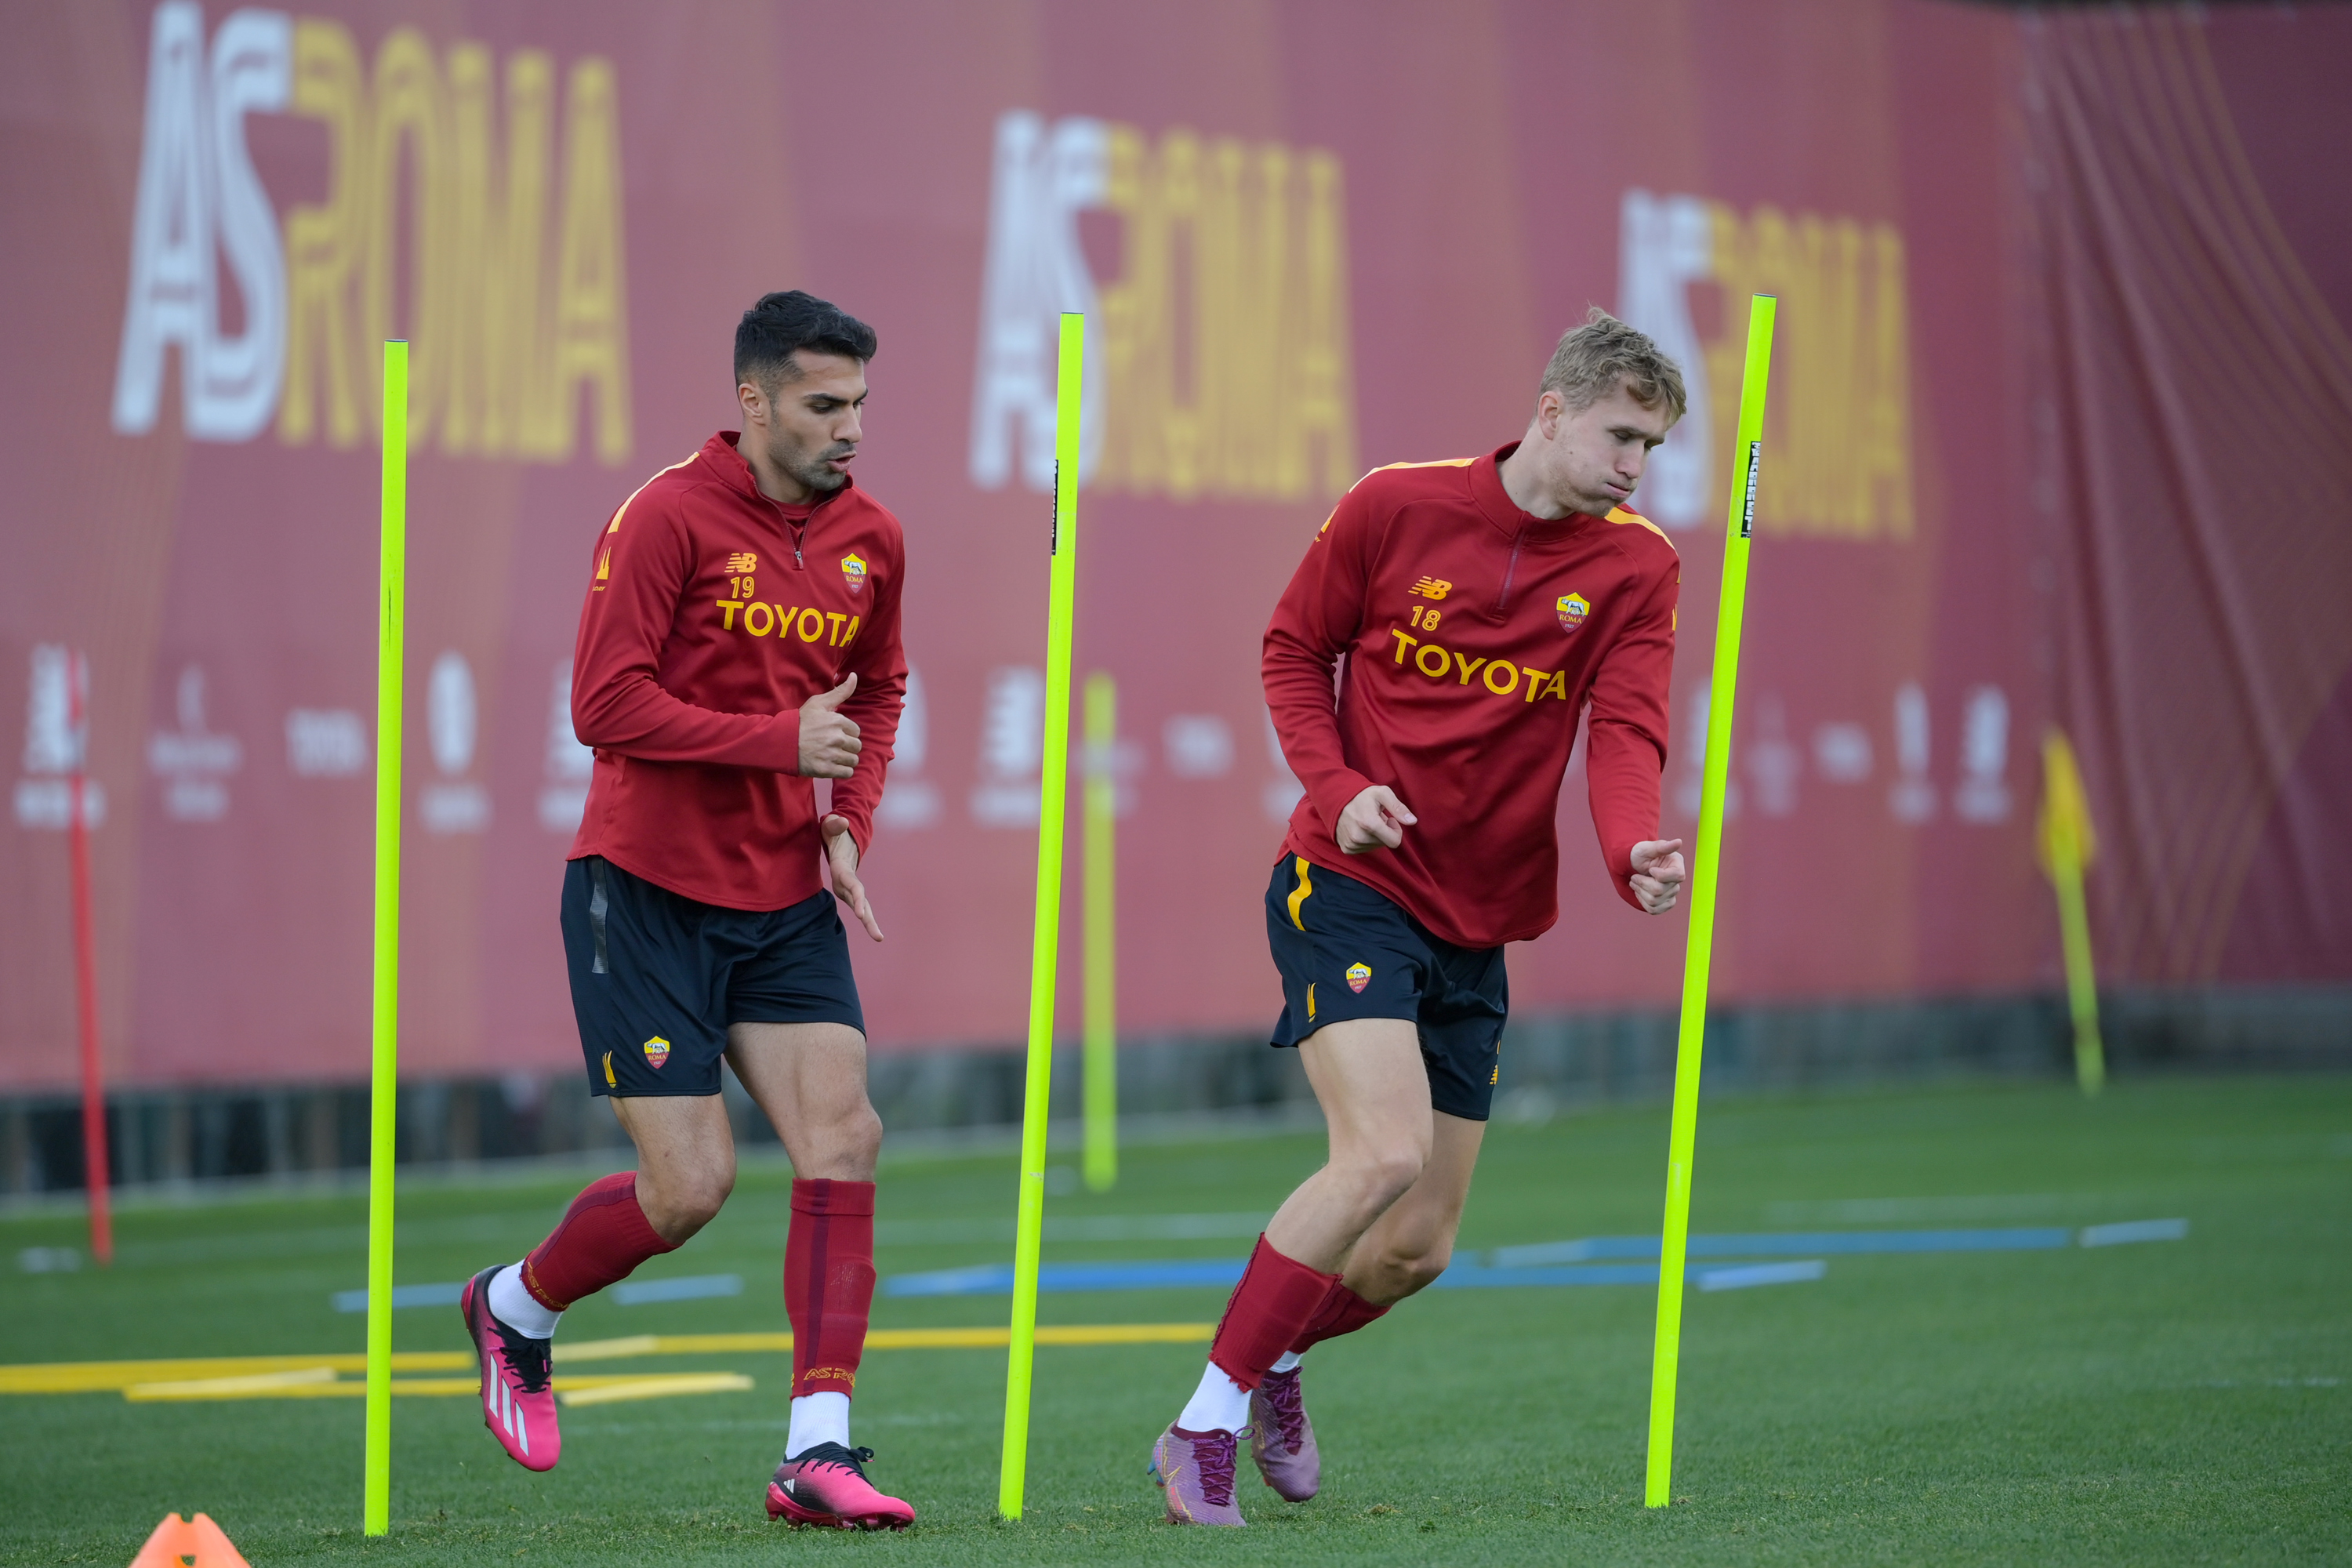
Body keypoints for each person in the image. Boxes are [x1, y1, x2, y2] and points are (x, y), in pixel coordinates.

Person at [1149, 309, 1693, 1526]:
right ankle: (1204, 1424)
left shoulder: (1639, 564)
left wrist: (1628, 849)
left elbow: (1628, 730)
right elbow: (1293, 649)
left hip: (1479, 919)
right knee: (1382, 1155)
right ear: (1551, 412)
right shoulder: (1397, 506)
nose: (1633, 467)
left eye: (1652, 448)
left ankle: (1279, 1354)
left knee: (1415, 1248)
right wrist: (1337, 796)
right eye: (1619, 435)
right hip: (1347, 887)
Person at [459, 291, 915, 1531]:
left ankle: (815, 1453)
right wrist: (780, 744)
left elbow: (877, 694)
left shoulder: (873, 534)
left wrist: (843, 822)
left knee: (847, 1138)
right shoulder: (664, 516)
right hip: (644, 896)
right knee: (690, 1189)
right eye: (825, 405)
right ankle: (515, 1307)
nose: (850, 429)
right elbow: (603, 707)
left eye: (861, 405)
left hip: (781, 900)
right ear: (754, 401)